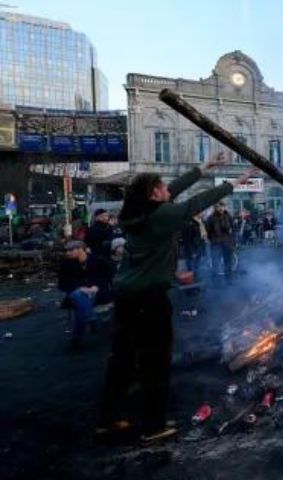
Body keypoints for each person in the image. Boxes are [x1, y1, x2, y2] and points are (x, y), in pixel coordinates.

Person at [99, 151, 254, 443]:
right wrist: (235, 182)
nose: (167, 189)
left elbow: (175, 190)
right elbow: (195, 203)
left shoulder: (136, 212)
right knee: (155, 361)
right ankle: (153, 426)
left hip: (127, 296)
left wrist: (204, 167)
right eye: (161, 187)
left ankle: (110, 419)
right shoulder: (161, 216)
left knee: (121, 359)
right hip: (148, 299)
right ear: (153, 194)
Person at [57, 240, 114, 350]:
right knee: (79, 295)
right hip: (74, 292)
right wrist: (80, 287)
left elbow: (107, 277)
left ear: (80, 249)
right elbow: (62, 284)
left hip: (96, 292)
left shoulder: (97, 260)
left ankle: (77, 338)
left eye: (70, 250)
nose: (67, 253)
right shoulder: (66, 264)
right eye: (66, 250)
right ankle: (91, 318)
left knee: (80, 306)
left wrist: (96, 286)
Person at [206, 201, 236, 281]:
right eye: (218, 207)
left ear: (224, 207)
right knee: (216, 263)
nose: (220, 208)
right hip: (216, 244)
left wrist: (232, 241)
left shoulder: (228, 216)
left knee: (228, 263)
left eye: (222, 206)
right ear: (215, 208)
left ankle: (229, 280)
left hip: (227, 243)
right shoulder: (211, 218)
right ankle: (215, 281)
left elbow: (233, 229)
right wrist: (212, 239)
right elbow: (208, 231)